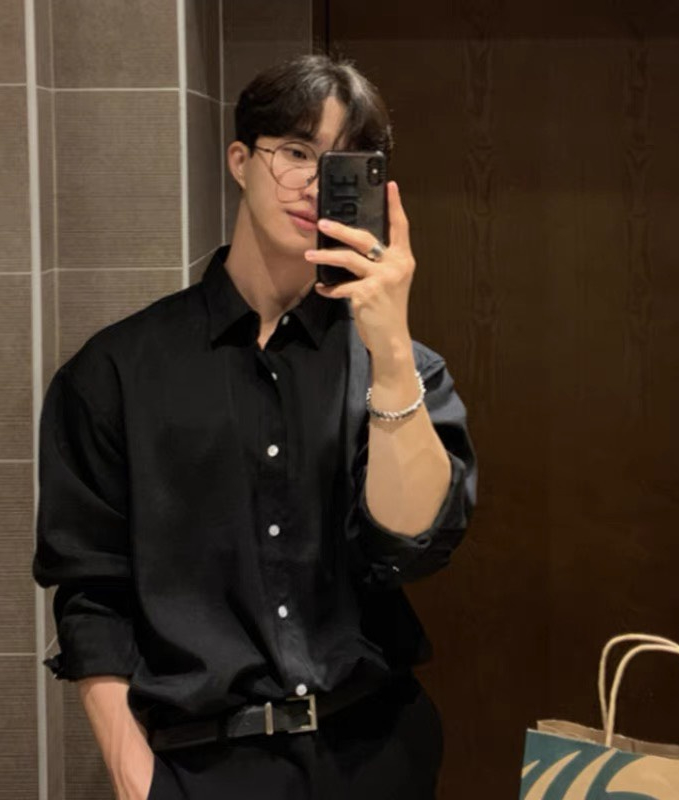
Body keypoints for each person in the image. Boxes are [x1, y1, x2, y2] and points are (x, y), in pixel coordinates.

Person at [33, 53, 476, 800]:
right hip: (200, 767)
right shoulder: (116, 373)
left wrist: (392, 350)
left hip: (372, 753)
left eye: (343, 164)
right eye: (296, 152)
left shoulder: (399, 367)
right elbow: (90, 593)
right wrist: (135, 777)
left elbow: (412, 546)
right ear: (241, 160)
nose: (314, 183)